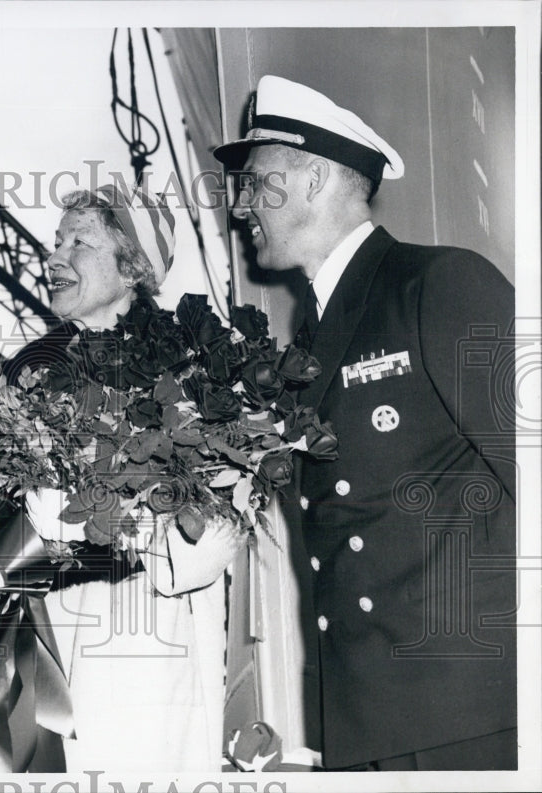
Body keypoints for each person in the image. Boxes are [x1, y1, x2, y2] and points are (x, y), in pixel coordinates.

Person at [214, 75, 517, 771]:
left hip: (468, 717)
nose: (238, 206)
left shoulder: (439, 285)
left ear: (315, 179)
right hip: (367, 727)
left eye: (256, 182)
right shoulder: (311, 344)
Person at [0, 185, 242, 773]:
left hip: (152, 632)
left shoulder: (193, 365)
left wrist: (137, 546)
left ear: (133, 267)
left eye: (80, 241)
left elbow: (224, 521)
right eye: (56, 242)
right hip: (40, 631)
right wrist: (33, 544)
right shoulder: (30, 367)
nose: (55, 258)